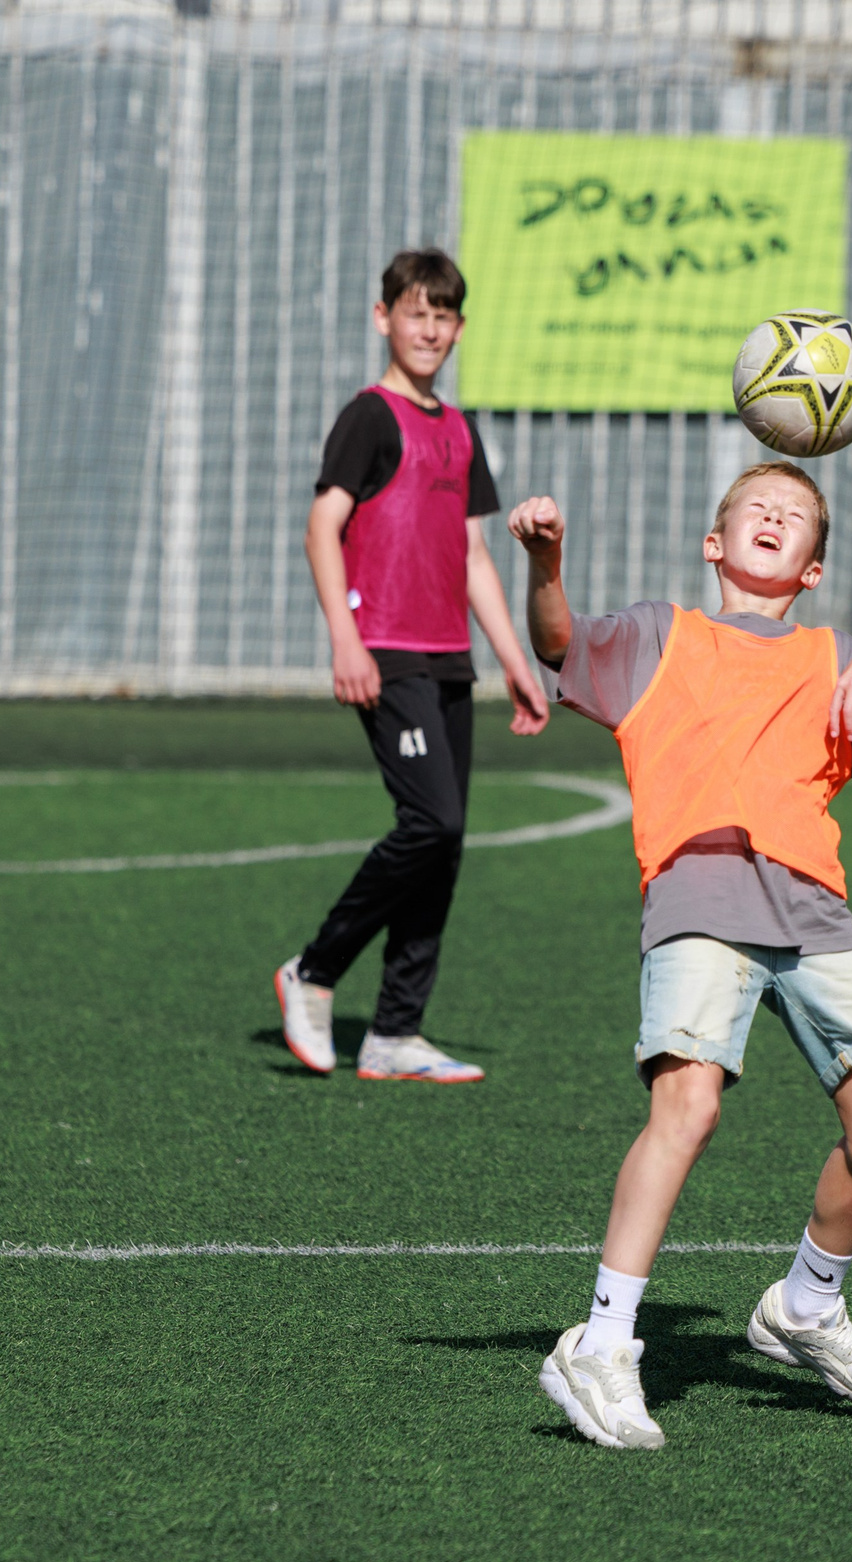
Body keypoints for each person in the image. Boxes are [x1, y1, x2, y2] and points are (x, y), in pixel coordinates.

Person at [511, 462, 852, 1449]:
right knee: (689, 1101)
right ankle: (600, 1341)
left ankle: (805, 1305)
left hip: (813, 904)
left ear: (811, 568)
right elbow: (557, 640)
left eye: (796, 514)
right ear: (715, 544)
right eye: (755, 508)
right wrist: (546, 562)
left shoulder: (837, 658)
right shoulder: (654, 636)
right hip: (701, 883)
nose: (773, 515)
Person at [272, 249, 550, 1083]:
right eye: (415, 312)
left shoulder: (459, 430)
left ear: (458, 329)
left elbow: (471, 555)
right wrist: (345, 639)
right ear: (383, 316)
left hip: (450, 662)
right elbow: (324, 527)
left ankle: (395, 1032)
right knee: (432, 823)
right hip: (386, 650)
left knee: (444, 847)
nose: (429, 329)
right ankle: (313, 970)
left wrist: (514, 662)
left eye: (443, 316)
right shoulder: (369, 416)